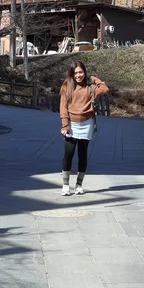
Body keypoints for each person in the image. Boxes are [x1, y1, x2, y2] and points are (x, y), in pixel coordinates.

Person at [58, 61, 109, 196]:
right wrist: (65, 124)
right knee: (68, 154)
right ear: (72, 74)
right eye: (76, 73)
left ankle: (79, 185)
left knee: (83, 155)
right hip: (71, 125)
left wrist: (92, 78)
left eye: (81, 72)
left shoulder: (90, 87)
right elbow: (63, 107)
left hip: (86, 124)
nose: (78, 75)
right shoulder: (66, 87)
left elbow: (104, 88)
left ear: (84, 72)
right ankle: (65, 185)